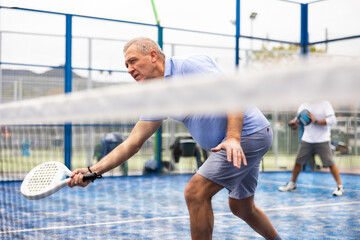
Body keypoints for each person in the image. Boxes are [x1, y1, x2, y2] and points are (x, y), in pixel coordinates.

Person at [68, 37, 282, 240]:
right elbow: (133, 143)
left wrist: (233, 138)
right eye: (126, 65)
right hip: (240, 141)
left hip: (247, 135)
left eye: (133, 61)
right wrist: (93, 171)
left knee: (195, 193)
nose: (129, 69)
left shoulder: (189, 66)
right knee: (242, 207)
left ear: (153, 55)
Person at [279, 101, 344, 196]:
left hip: (322, 139)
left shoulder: (325, 104)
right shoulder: (303, 105)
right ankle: (292, 184)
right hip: (307, 139)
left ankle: (340, 187)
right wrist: (294, 123)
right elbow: (299, 120)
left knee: (330, 163)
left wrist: (316, 121)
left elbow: (333, 120)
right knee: (298, 162)